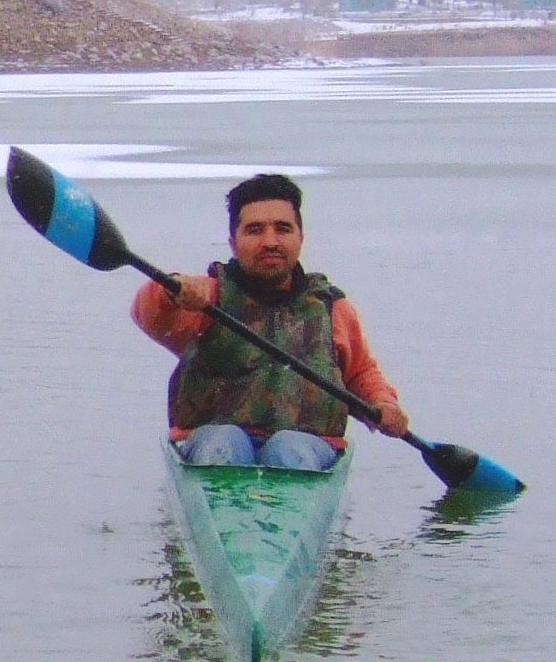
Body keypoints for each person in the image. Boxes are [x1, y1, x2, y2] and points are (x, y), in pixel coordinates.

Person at [132, 171, 409, 471]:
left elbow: (360, 375)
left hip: (307, 447)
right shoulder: (204, 297)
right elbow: (149, 315)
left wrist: (384, 405)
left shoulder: (333, 308)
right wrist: (170, 291)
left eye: (283, 229)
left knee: (288, 451)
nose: (270, 241)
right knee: (225, 445)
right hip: (212, 441)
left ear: (300, 238)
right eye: (254, 230)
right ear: (233, 242)